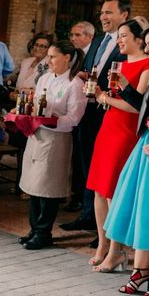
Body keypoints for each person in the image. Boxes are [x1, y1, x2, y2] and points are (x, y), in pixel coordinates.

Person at [104, 19, 149, 296]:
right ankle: (141, 270)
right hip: (148, 143)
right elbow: (140, 105)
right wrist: (122, 84)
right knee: (143, 208)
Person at [86, 18, 149, 271]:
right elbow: (114, 99)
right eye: (119, 37)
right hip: (109, 127)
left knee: (113, 192)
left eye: (125, 36)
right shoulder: (121, 64)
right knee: (97, 188)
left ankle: (117, 250)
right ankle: (102, 245)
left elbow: (135, 106)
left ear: (140, 39)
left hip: (126, 132)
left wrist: (104, 97)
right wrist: (102, 96)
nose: (120, 41)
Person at [60, 0, 130, 237]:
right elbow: (92, 70)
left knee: (106, 170)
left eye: (109, 12)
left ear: (124, 15)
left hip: (112, 111)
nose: (103, 17)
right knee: (86, 163)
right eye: (102, 13)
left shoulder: (128, 43)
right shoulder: (99, 41)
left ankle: (107, 228)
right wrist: (85, 77)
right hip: (88, 109)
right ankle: (88, 215)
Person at [17, 40, 88, 250]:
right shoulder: (45, 78)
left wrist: (51, 120)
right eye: (48, 56)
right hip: (37, 135)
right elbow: (37, 105)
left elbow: (74, 119)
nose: (49, 61)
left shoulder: (75, 84)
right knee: (32, 184)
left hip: (57, 139)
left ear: (67, 57)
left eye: (53, 56)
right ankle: (33, 228)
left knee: (47, 187)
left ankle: (43, 232)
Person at [66, 20, 96, 213]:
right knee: (74, 155)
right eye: (72, 35)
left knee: (84, 156)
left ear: (89, 37)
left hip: (89, 109)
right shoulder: (74, 54)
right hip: (72, 106)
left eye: (78, 35)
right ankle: (75, 194)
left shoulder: (93, 53)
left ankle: (83, 198)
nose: (73, 38)